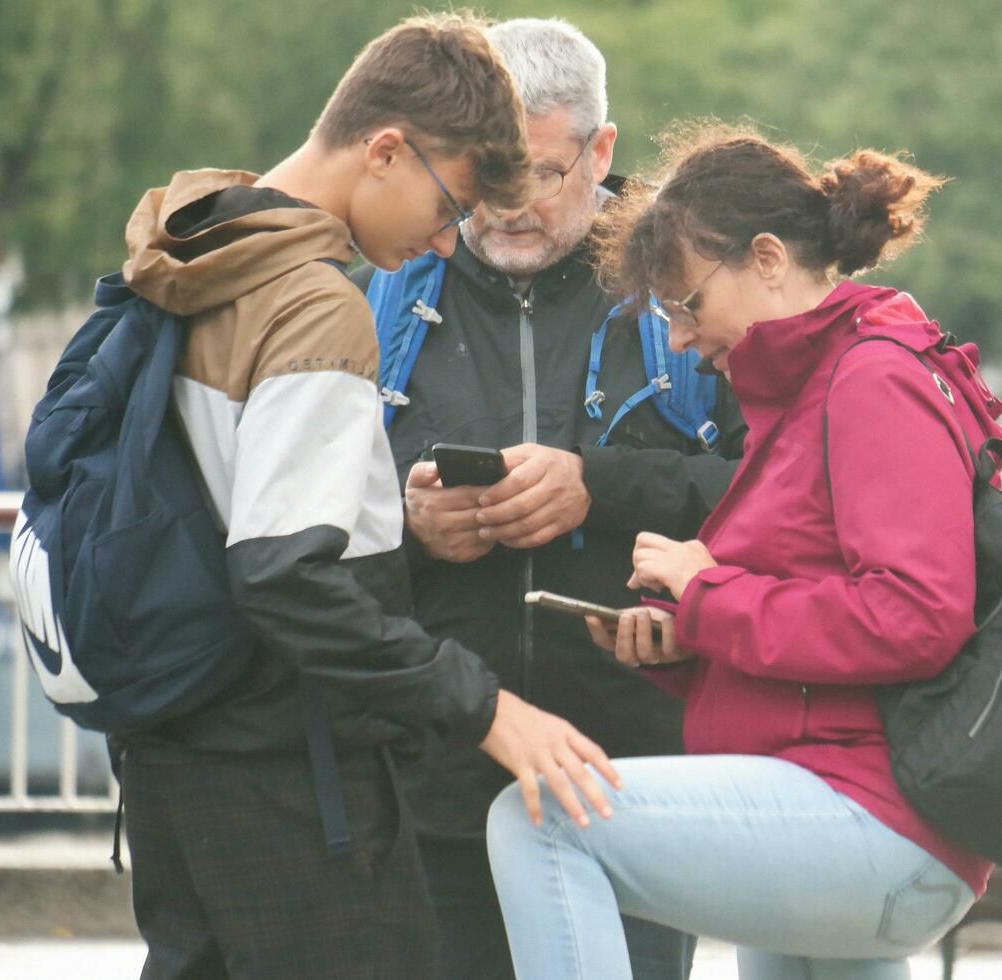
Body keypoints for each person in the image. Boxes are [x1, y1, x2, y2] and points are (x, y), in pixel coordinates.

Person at [114, 15, 620, 978]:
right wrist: (485, 709)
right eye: (452, 201)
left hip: (170, 747)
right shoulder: (315, 302)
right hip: (288, 771)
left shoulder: (194, 249)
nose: (445, 236)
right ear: (385, 149)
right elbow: (284, 576)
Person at [483, 122, 1002, 980]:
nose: (681, 341)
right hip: (832, 801)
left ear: (766, 259)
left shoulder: (871, 379)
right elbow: (818, 619)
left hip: (868, 814)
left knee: (539, 818)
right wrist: (689, 641)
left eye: (686, 305)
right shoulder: (811, 389)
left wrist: (710, 597)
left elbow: (915, 615)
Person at [357, 19, 744, 980]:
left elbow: (776, 495)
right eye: (485, 178)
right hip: (435, 784)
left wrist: (598, 489)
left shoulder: (691, 297)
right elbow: (303, 538)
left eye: (538, 173)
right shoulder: (384, 291)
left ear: (603, 151)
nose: (507, 208)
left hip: (637, 787)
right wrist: (407, 527)